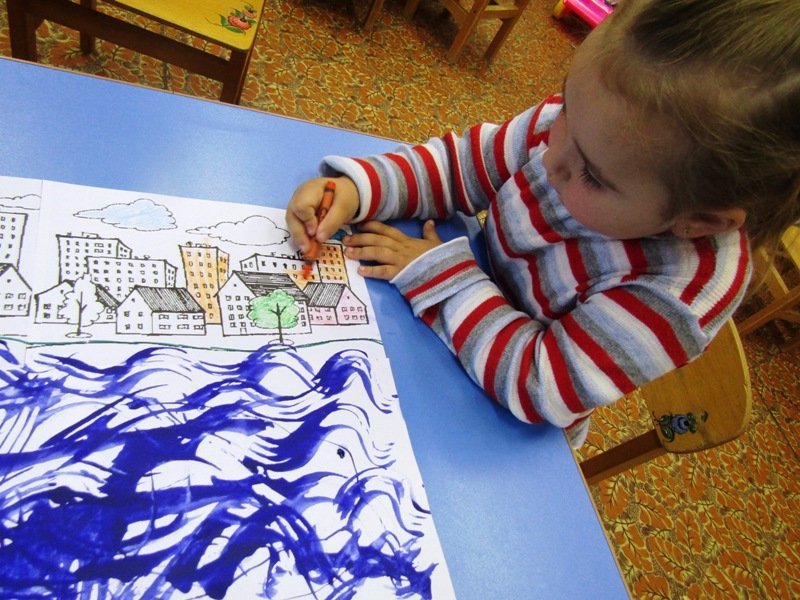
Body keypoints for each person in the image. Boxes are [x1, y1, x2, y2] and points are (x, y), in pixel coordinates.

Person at [286, 0, 800, 446]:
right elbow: (465, 166)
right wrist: (359, 191)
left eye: (591, 176)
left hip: (504, 419)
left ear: (697, 221)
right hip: (450, 322)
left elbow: (538, 383)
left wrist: (438, 273)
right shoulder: (588, 130)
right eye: (566, 105)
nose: (550, 156)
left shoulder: (680, 295)